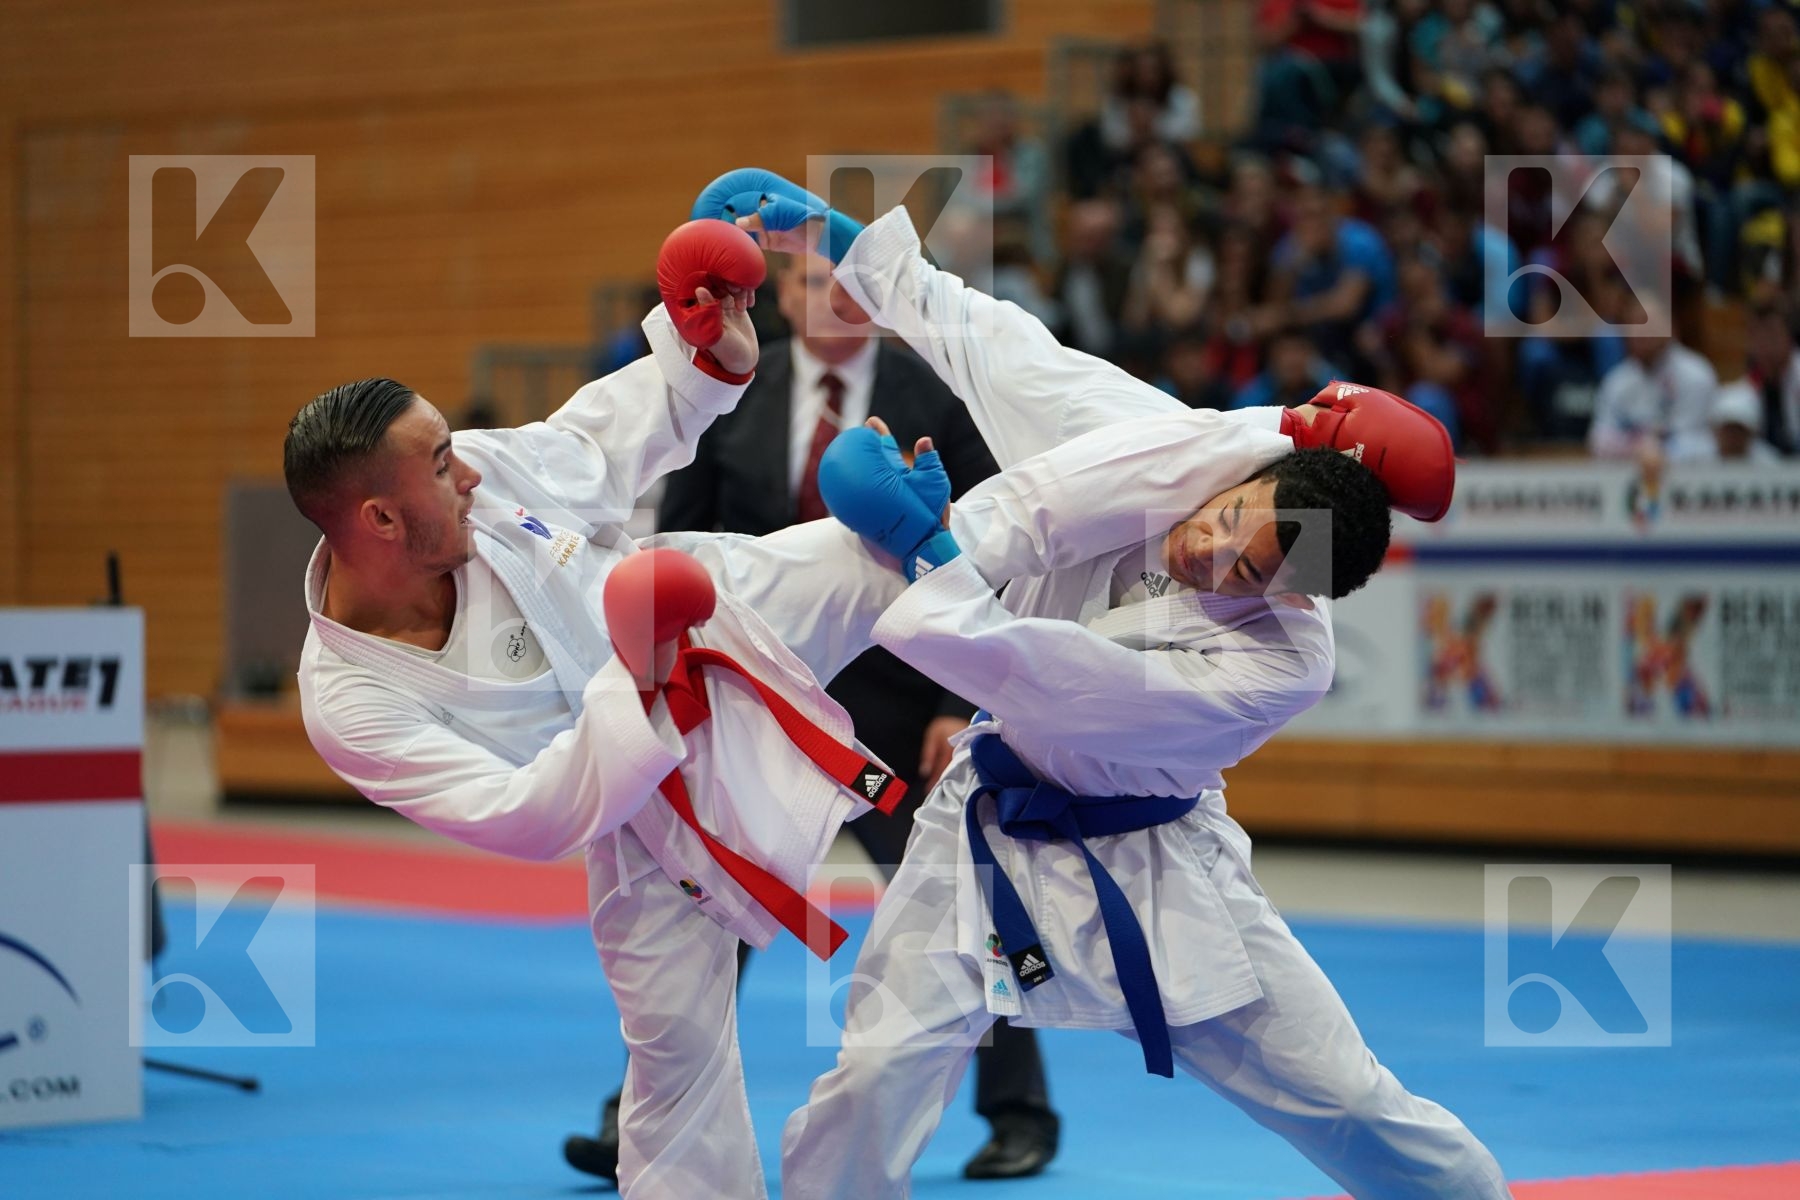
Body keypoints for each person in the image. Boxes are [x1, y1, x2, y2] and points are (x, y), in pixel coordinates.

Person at [691, 168, 1508, 1200]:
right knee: (873, 1080)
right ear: (1241, 478)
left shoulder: (1280, 663)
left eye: (1251, 573)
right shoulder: (1158, 447)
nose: (1215, 556)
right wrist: (839, 238)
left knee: (1349, 1104)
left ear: (1293, 596)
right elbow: (999, 346)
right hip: (981, 829)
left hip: (1159, 869)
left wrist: (931, 551)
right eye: (1225, 524)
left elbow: (1054, 678)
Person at [288, 221, 919, 1200]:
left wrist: (700, 353)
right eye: (443, 460)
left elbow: (595, 442)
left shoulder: (483, 483)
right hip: (636, 817)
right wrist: (642, 679)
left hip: (716, 618)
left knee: (897, 548)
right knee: (677, 1071)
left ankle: (1154, 551)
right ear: (377, 518)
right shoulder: (352, 702)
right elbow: (525, 815)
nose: (471, 472)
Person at [562, 250, 1062, 1184]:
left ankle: (1020, 1110)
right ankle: (635, 1107)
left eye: (842, 286)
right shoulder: (739, 387)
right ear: (781, 299)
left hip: (903, 690)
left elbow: (988, 541)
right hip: (748, 684)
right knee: (703, 882)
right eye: (802, 286)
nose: (823, 301)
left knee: (957, 891)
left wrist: (960, 698)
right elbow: (682, 531)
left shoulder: (936, 391)